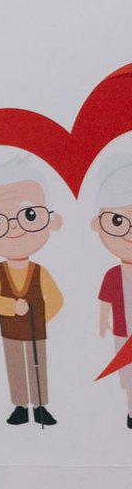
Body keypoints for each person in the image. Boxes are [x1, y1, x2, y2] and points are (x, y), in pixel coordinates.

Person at [0, 155, 64, 427]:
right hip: (10, 331)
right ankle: (20, 406)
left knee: (37, 365)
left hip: (36, 331)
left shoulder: (39, 271)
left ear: (52, 220)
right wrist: (11, 307)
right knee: (16, 367)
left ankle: (41, 407)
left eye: (29, 214)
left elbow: (56, 298)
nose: (14, 226)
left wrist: (41, 318)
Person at [93, 157, 132, 430]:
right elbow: (105, 303)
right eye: (118, 221)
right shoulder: (113, 275)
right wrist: (102, 323)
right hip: (121, 332)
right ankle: (131, 411)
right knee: (128, 377)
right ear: (98, 225)